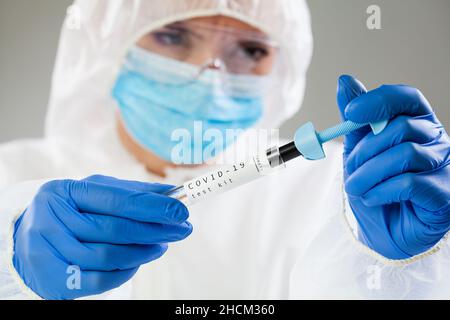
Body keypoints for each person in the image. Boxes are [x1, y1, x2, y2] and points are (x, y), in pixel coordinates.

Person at [0, 0, 449, 300]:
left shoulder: (348, 193)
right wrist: (12, 268)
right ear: (106, 43)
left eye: (250, 49)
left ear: (282, 69)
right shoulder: (14, 181)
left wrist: (397, 270)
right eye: (173, 36)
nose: (210, 72)